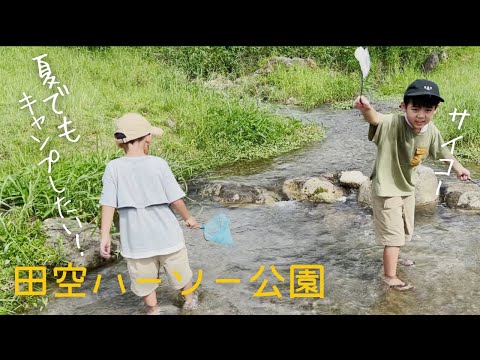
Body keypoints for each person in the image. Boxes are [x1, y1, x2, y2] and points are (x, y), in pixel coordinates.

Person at [354, 79, 471, 291]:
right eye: (415, 109)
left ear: (436, 110)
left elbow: (442, 152)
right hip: (386, 189)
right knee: (394, 235)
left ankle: (395, 259)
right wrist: (367, 108)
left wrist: (459, 168)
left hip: (407, 188)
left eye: (427, 110)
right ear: (403, 106)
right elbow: (375, 119)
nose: (421, 115)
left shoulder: (431, 130)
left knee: (405, 231)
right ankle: (389, 276)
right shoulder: (393, 124)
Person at [99, 112, 200, 313]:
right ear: (148, 138)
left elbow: (108, 204)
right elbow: (175, 200)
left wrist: (105, 235)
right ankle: (189, 302)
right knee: (181, 274)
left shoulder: (113, 168)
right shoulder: (158, 164)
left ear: (121, 144)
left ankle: (153, 310)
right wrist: (188, 218)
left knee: (144, 280)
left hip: (136, 241)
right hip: (167, 236)